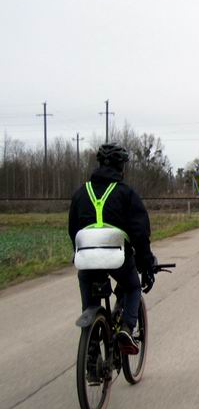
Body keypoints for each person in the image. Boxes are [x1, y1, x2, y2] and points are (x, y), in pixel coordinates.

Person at [68, 143, 156, 355]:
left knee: (89, 295)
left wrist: (79, 253)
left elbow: (73, 230)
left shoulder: (81, 194)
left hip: (87, 259)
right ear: (121, 167)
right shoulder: (126, 193)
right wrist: (146, 265)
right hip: (118, 259)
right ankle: (126, 328)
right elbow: (140, 233)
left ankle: (91, 347)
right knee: (133, 286)